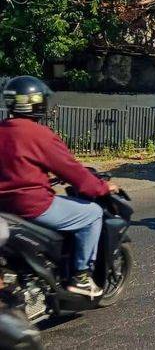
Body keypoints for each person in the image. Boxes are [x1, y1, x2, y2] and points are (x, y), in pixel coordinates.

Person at [0, 76, 119, 297]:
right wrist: (102, 188)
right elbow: (74, 173)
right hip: (33, 207)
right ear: (36, 103)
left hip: (4, 209)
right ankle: (81, 276)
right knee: (92, 213)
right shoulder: (39, 134)